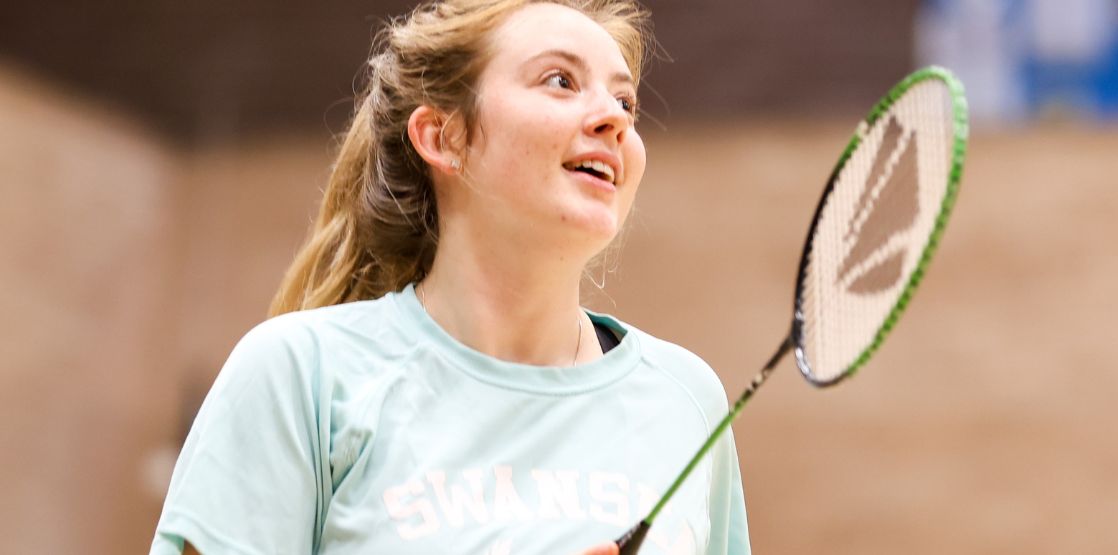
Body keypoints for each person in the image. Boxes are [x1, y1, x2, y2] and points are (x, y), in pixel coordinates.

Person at [149, 1, 750, 553]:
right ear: (444, 137)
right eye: (560, 81)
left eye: (626, 103)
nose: (613, 121)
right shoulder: (300, 373)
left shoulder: (686, 399)